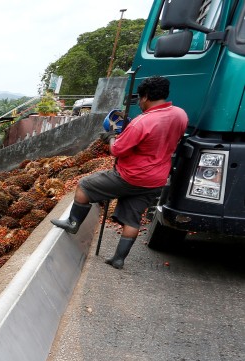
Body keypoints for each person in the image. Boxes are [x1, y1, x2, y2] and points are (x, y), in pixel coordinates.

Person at [51, 76, 188, 269]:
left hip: (130, 176)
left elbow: (117, 150)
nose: (140, 103)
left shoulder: (142, 122)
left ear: (146, 96)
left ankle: (73, 223)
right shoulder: (180, 115)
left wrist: (112, 137)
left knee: (84, 186)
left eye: (140, 99)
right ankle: (118, 259)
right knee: (132, 218)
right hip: (155, 180)